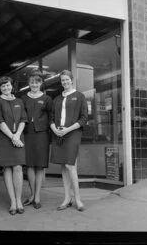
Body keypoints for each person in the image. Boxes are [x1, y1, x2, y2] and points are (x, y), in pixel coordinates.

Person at [50, 70, 88, 212]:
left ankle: (77, 198)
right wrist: (54, 129)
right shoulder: (56, 99)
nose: (65, 82)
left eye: (67, 80)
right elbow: (51, 118)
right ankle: (67, 198)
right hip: (58, 133)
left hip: (73, 133)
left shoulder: (80, 96)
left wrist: (67, 130)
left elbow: (83, 118)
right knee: (63, 166)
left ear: (72, 80)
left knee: (70, 165)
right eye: (62, 80)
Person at [0, 76, 28, 215]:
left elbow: (23, 119)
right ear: (0, 88)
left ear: (12, 86)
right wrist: (12, 137)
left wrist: (17, 135)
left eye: (8, 85)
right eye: (3, 86)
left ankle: (19, 200)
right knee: (7, 168)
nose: (6, 88)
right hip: (3, 137)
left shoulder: (19, 101)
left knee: (18, 167)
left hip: (18, 136)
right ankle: (12, 201)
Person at [21, 70, 53, 209]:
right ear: (29, 83)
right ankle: (32, 194)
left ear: (41, 83)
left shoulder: (47, 99)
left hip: (42, 134)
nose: (34, 84)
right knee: (29, 165)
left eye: (37, 82)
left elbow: (52, 116)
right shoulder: (23, 98)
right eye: (32, 82)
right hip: (27, 133)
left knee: (39, 165)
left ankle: (37, 197)